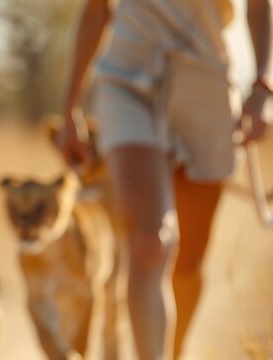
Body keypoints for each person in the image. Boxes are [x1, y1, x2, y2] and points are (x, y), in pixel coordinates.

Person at [57, 0, 272, 359]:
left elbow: (258, 6)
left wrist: (263, 89)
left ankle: (176, 350)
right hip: (126, 83)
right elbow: (96, 9)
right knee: (149, 243)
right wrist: (69, 110)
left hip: (206, 84)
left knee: (187, 263)